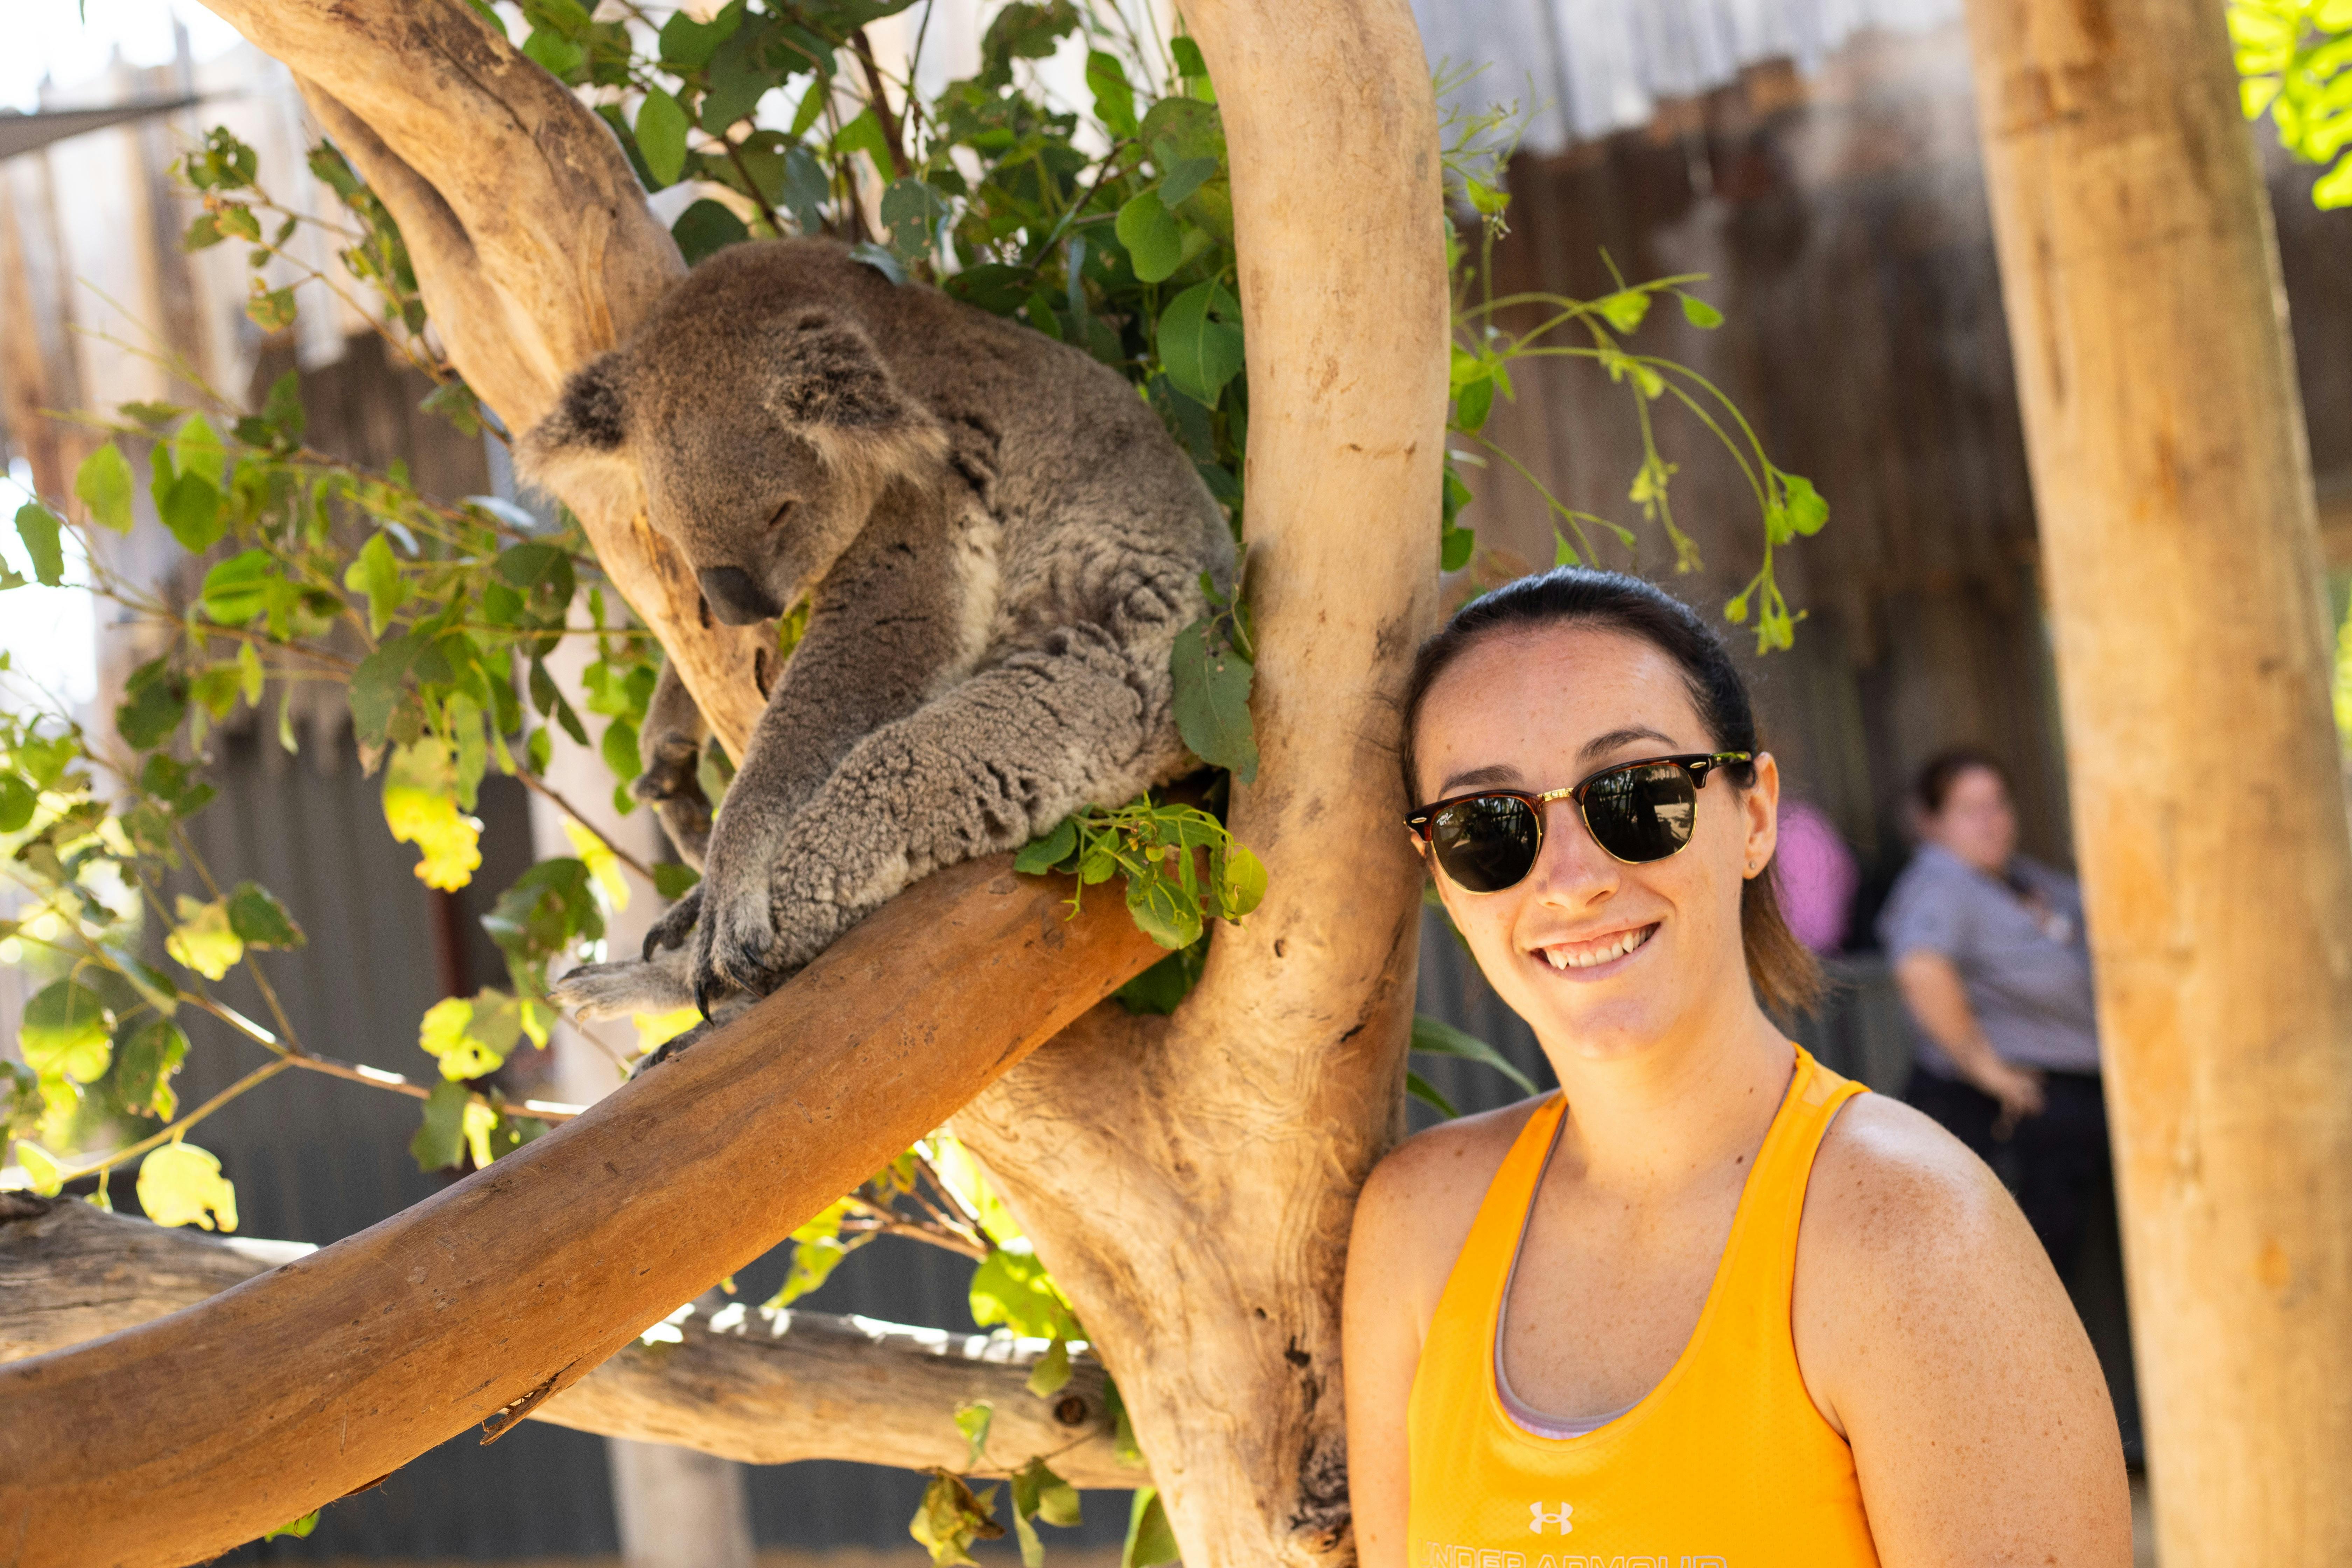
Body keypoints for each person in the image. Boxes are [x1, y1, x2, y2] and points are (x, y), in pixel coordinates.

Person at [1344, 569, 2127, 1568]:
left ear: (1754, 815)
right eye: (1488, 826)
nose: (1572, 880)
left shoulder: (1915, 1237)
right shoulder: (1418, 1223)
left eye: (1636, 796)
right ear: (1439, 876)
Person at [1879, 748, 2108, 1273]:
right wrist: (1987, 1068)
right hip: (2002, 1110)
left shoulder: (2019, 877)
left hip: (2062, 1109)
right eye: (1968, 809)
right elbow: (1920, 968)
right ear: (1932, 824)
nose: (1990, 820)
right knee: (2019, 1280)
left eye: (1998, 804)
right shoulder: (1943, 883)